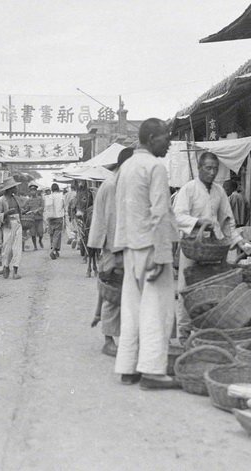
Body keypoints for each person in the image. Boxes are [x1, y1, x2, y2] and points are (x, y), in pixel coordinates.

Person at [113, 118, 180, 390]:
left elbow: (120, 212)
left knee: (131, 310)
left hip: (130, 248)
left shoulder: (126, 167)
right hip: (150, 248)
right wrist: (161, 254)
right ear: (152, 138)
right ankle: (152, 371)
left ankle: (127, 367)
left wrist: (118, 250)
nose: (169, 142)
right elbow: (160, 213)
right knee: (157, 309)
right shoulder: (155, 167)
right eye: (165, 137)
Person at [173, 153, 245, 341]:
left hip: (213, 250)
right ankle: (183, 332)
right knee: (186, 290)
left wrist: (238, 241)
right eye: (208, 168)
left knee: (210, 292)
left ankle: (205, 333)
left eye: (215, 168)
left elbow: (227, 220)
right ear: (199, 168)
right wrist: (198, 222)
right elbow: (178, 216)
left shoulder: (219, 191)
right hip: (192, 248)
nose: (212, 172)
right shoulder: (188, 190)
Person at [88, 147, 134, 357]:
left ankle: (115, 333)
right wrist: (116, 252)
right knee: (112, 293)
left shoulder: (120, 184)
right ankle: (108, 340)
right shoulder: (113, 185)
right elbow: (111, 220)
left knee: (118, 292)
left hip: (121, 246)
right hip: (114, 247)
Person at [0, 177, 24, 279]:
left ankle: (15, 270)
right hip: (8, 225)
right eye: (14, 187)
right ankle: (6, 266)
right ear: (10, 189)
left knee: (17, 248)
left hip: (17, 223)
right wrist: (6, 213)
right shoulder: (1, 200)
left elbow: (20, 211)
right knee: (7, 248)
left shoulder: (16, 199)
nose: (16, 188)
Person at [44, 183, 66, 260]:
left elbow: (46, 208)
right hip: (59, 217)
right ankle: (53, 250)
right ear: (58, 188)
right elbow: (64, 206)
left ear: (51, 189)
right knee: (57, 235)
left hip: (50, 218)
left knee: (51, 235)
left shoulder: (49, 196)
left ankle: (54, 250)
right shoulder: (61, 196)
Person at [25, 183, 45, 250]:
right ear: (30, 192)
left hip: (39, 218)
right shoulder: (28, 200)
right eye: (31, 190)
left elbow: (42, 207)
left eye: (34, 190)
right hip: (31, 219)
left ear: (36, 191)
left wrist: (37, 210)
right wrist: (24, 211)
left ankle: (40, 240)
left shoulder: (40, 199)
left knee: (40, 233)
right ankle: (35, 246)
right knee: (33, 234)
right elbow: (26, 209)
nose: (32, 192)